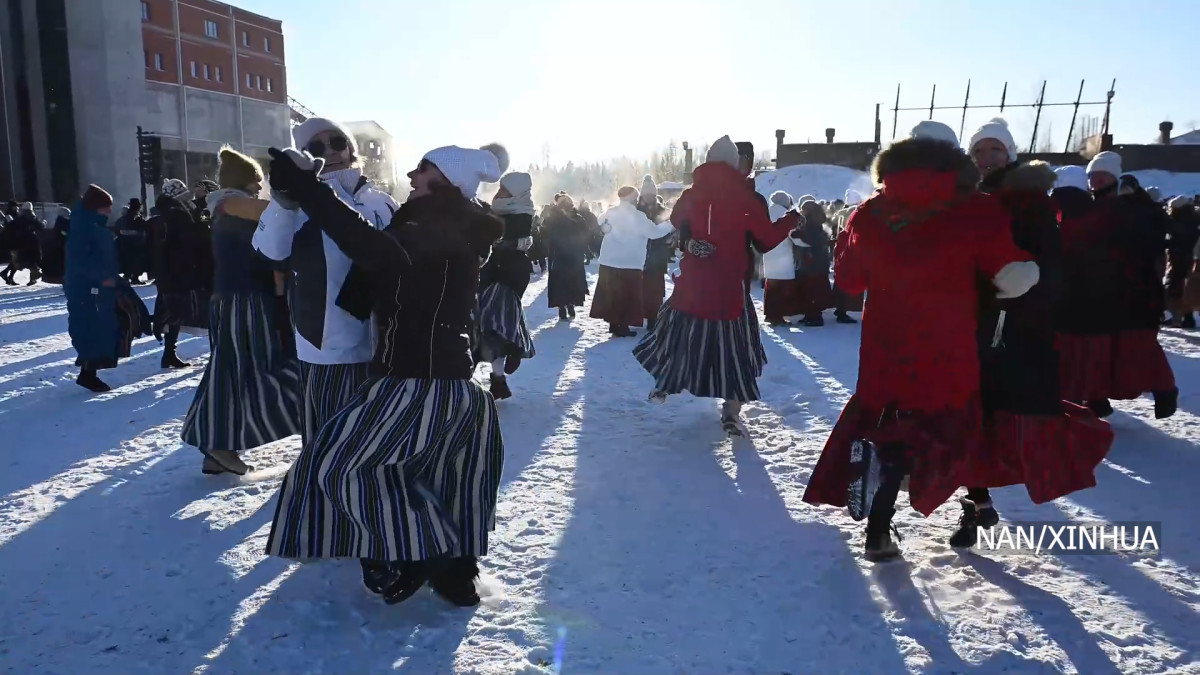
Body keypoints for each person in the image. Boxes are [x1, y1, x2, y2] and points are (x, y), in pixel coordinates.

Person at [264, 142, 507, 608]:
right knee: (435, 479)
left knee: (335, 465)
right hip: (433, 377)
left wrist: (310, 190)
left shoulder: (440, 226)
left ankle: (421, 551)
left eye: (423, 169)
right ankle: (455, 579)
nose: (412, 176)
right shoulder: (439, 222)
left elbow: (372, 250)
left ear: (447, 181)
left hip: (423, 381)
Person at [802, 122, 1040, 561]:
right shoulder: (977, 209)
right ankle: (976, 503)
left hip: (885, 347)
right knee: (955, 428)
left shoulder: (870, 211)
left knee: (888, 430)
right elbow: (1011, 277)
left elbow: (851, 282)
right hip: (949, 345)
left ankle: (878, 529)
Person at [962, 118, 1113, 548]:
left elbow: (1049, 268)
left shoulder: (1029, 202)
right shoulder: (967, 198)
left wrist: (1015, 300)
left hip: (1012, 329)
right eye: (979, 151)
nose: (985, 158)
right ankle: (975, 500)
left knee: (1002, 418)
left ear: (1010, 155)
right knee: (968, 415)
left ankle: (981, 495)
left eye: (994, 150)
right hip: (967, 323)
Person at [252, 117, 400, 445]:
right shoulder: (301, 201)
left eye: (337, 141)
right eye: (317, 146)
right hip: (329, 341)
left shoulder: (382, 200)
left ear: (351, 148)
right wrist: (283, 201)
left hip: (387, 340)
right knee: (330, 437)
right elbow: (268, 250)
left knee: (377, 435)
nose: (331, 150)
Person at [633, 135, 786, 435]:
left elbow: (678, 222)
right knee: (734, 350)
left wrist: (690, 243)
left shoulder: (692, 194)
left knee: (681, 335)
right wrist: (791, 221)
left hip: (694, 284)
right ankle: (731, 410)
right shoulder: (747, 197)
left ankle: (666, 382)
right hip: (731, 287)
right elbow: (765, 240)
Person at [181, 147, 302, 476]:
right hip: (243, 298)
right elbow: (275, 213)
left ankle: (216, 448)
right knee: (246, 370)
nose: (261, 188)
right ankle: (217, 444)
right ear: (248, 182)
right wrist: (309, 197)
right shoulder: (228, 202)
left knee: (234, 370)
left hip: (241, 296)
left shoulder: (226, 204)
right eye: (259, 181)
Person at [1087, 151, 1177, 418]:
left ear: (1114, 178)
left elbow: (1154, 237)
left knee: (1139, 346)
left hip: (1138, 291)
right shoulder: (1095, 206)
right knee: (1100, 349)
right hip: (1105, 290)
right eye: (1092, 176)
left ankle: (1164, 392)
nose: (1095, 181)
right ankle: (1097, 398)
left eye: (1101, 176)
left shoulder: (1135, 207)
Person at [478, 171, 538, 400]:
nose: (499, 192)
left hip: (509, 272)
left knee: (495, 319)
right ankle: (499, 376)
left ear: (515, 191)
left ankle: (511, 351)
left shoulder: (521, 211)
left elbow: (506, 239)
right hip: (492, 269)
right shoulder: (499, 208)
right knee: (495, 322)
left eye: (504, 189)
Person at [590, 186, 675, 337]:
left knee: (612, 294)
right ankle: (623, 327)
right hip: (630, 262)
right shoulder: (638, 217)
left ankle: (613, 324)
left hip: (609, 260)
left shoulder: (610, 212)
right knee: (627, 296)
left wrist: (604, 227)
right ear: (632, 198)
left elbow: (600, 220)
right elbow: (654, 233)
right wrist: (670, 224)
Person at [151, 178, 213, 368]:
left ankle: (169, 353)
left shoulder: (166, 213)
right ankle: (170, 353)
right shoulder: (176, 214)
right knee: (187, 312)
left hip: (170, 273)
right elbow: (195, 235)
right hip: (181, 272)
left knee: (173, 314)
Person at [65, 186, 120, 392]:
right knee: (89, 326)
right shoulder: (85, 227)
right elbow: (80, 260)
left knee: (98, 325)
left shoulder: (93, 225)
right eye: (106, 207)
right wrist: (102, 277)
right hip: (87, 287)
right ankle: (88, 373)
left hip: (95, 286)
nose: (109, 211)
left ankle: (90, 370)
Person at [761, 191, 806, 326]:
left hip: (769, 254)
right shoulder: (785, 215)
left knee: (771, 287)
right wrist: (805, 244)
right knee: (782, 289)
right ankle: (778, 316)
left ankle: (770, 314)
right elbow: (793, 235)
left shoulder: (766, 212)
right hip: (783, 256)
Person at [543, 193, 590, 320]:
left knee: (559, 282)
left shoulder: (552, 218)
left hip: (558, 254)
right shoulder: (578, 218)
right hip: (573, 255)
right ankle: (570, 304)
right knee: (572, 281)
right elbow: (586, 233)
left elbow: (544, 233)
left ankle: (562, 307)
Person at [638, 175, 675, 331]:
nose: (649, 198)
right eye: (646, 194)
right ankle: (642, 315)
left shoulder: (663, 210)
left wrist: (670, 239)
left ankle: (654, 317)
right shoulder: (636, 211)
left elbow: (671, 228)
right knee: (641, 288)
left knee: (656, 289)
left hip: (658, 255)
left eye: (651, 194)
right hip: (640, 255)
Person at [1164, 195, 1200, 328]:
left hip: (1181, 258)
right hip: (1189, 257)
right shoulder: (1193, 219)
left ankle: (1181, 318)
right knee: (1185, 289)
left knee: (1179, 289)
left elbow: (1179, 239)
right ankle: (1185, 317)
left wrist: (1166, 243)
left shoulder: (1179, 221)